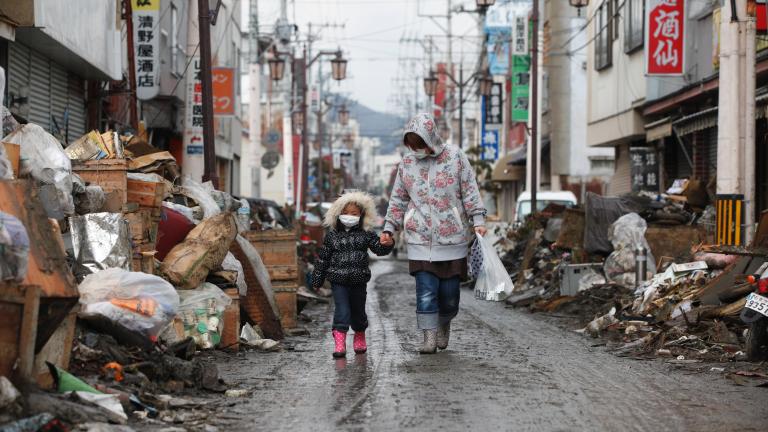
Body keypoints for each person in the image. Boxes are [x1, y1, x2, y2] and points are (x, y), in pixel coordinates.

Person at [381, 113, 487, 354]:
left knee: (450, 297)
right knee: (426, 292)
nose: (416, 149)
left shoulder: (456, 157)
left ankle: (444, 322)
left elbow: (470, 189)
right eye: (412, 144)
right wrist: (390, 228)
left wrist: (477, 219)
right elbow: (398, 199)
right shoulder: (406, 164)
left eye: (420, 143)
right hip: (419, 239)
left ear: (431, 137)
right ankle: (428, 337)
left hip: (453, 238)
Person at [311, 191, 394, 358]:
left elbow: (378, 249)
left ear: (361, 215)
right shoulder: (332, 236)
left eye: (354, 213)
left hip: (358, 279)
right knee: (342, 310)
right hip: (338, 280)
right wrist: (317, 279)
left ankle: (360, 335)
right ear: (338, 214)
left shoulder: (366, 233)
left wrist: (387, 243)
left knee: (358, 311)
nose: (349, 216)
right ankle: (339, 342)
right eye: (346, 213)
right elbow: (323, 259)